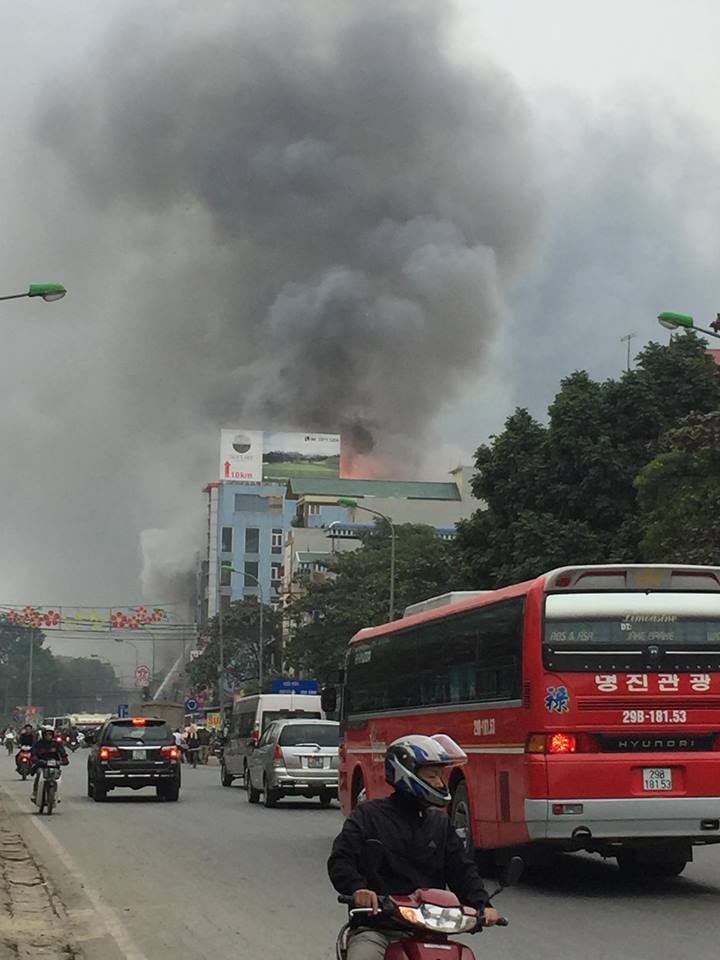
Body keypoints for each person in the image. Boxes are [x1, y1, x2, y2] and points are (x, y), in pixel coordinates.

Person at [328, 734, 498, 960]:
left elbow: (462, 870)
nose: (439, 782)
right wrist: (358, 889)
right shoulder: (368, 816)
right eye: (431, 775)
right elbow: (341, 860)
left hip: (432, 932)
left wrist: (482, 904)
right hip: (380, 929)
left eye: (440, 775)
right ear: (404, 773)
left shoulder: (440, 824)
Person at [30, 725, 69, 803]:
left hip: (54, 765)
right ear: (43, 735)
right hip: (42, 765)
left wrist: (64, 759)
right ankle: (35, 792)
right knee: (38, 774)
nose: (48, 736)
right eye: (46, 734)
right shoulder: (39, 744)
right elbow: (33, 752)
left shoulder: (57, 744)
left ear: (53, 735)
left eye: (50, 734)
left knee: (57, 778)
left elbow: (62, 753)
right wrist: (35, 758)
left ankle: (56, 794)